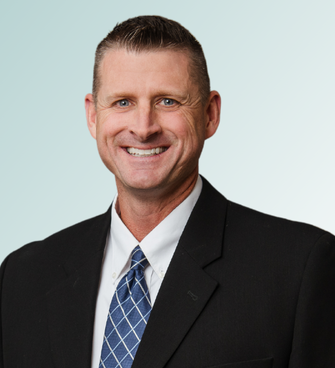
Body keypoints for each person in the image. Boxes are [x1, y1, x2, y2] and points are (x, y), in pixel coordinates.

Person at [1, 15, 334, 368]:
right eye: (123, 102)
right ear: (93, 116)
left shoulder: (301, 269)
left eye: (168, 101)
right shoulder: (23, 279)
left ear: (209, 114)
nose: (143, 128)